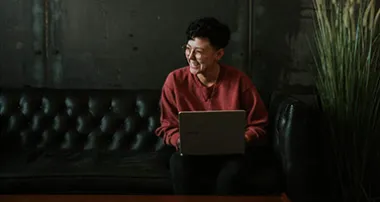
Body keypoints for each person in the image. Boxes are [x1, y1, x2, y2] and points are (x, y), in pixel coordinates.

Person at [155, 17, 269, 195]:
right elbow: (166, 126)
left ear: (219, 54)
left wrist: (242, 139)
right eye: (188, 49)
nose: (190, 57)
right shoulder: (175, 80)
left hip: (231, 154)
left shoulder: (239, 81)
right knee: (178, 163)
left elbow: (259, 123)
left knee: (232, 175)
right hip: (191, 154)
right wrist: (179, 140)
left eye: (198, 52)